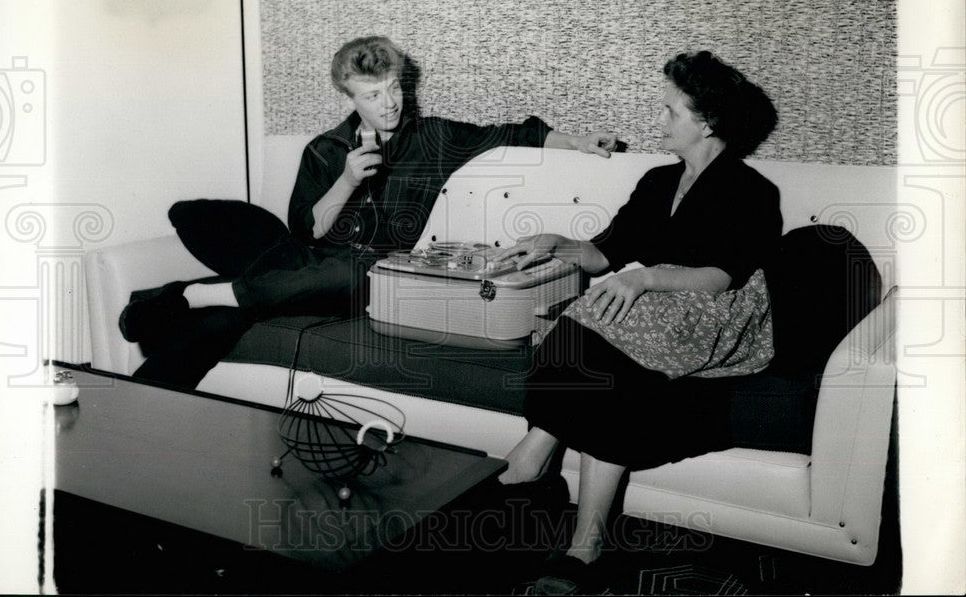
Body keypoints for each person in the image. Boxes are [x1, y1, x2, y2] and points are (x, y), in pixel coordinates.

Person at [120, 35, 618, 388]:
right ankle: (148, 386)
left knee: (336, 273)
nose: (391, 104)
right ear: (351, 97)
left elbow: (516, 132)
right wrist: (346, 178)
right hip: (310, 262)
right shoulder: (323, 149)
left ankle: (187, 296)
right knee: (234, 300)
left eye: (395, 88)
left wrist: (576, 140)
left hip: (373, 272)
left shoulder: (433, 138)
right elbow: (307, 229)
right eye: (373, 95)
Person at [491, 50, 781, 594]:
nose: (660, 121)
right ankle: (585, 547)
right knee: (591, 338)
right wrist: (559, 241)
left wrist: (645, 278)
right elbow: (607, 251)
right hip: (652, 322)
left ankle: (531, 462)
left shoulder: (751, 192)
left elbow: (722, 277)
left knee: (602, 316)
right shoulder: (655, 182)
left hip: (711, 321)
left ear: (707, 122)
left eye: (671, 111)